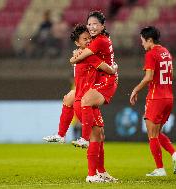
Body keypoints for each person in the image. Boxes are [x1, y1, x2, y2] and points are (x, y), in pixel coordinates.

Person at [130, 26, 176, 176]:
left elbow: (149, 77)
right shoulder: (166, 52)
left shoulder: (151, 53)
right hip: (168, 97)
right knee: (157, 133)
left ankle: (160, 169)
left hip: (156, 97)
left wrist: (135, 90)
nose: (141, 44)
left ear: (149, 40)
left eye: (142, 41)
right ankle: (174, 155)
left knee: (152, 135)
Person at [68, 24, 117, 183]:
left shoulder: (81, 54)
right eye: (85, 39)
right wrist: (114, 68)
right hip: (83, 102)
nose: (89, 41)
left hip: (86, 100)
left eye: (89, 38)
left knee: (100, 135)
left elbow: (74, 59)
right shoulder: (88, 56)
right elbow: (109, 70)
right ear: (77, 42)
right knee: (95, 136)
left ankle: (101, 171)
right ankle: (91, 174)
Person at [70, 11, 118, 148]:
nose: (91, 27)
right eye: (89, 24)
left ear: (103, 26)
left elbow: (76, 58)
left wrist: (75, 55)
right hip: (104, 79)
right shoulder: (102, 39)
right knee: (98, 133)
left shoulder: (99, 41)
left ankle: (84, 138)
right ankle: (100, 169)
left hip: (107, 81)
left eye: (95, 24)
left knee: (84, 100)